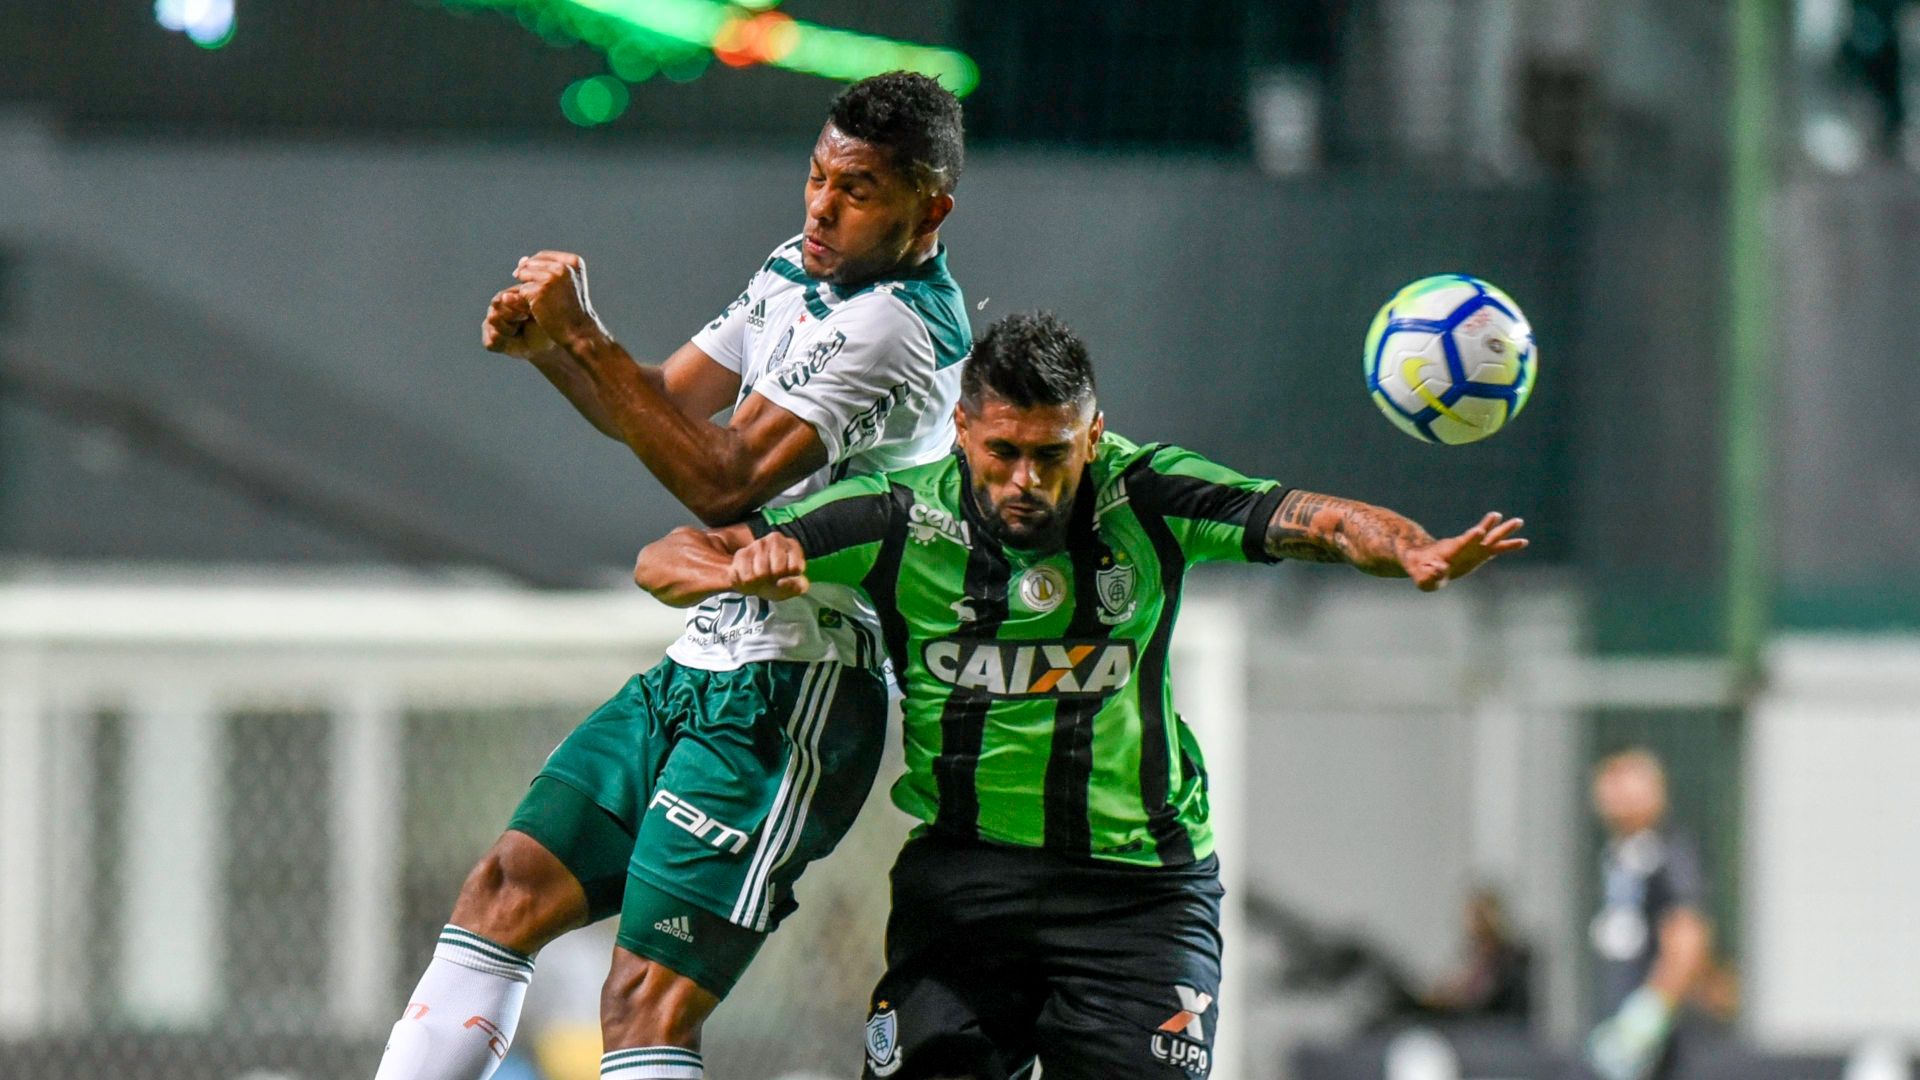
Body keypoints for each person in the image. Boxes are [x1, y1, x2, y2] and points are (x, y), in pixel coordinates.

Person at [633, 311, 1529, 1079]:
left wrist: (1405, 548)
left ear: (1093, 437)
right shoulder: (895, 516)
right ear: (960, 431)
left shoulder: (1147, 497)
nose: (1026, 480)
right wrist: (745, 564)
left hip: (1139, 895)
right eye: (1004, 453)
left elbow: (1314, 520)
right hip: (968, 883)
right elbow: (666, 557)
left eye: (1052, 454)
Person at [372, 71, 970, 1080]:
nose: (822, 205)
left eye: (858, 190)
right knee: (504, 889)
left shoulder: (899, 328)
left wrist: (586, 336)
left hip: (799, 691)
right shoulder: (796, 269)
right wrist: (556, 354)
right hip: (704, 663)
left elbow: (720, 476)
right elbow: (660, 404)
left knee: (644, 1003)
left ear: (929, 210)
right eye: (819, 174)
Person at [1584, 750, 1713, 1080]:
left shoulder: (1670, 851)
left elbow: (1687, 935)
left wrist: (1651, 1011)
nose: (1616, 795)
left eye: (1626, 782)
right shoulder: (1619, 854)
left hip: (1664, 1046)